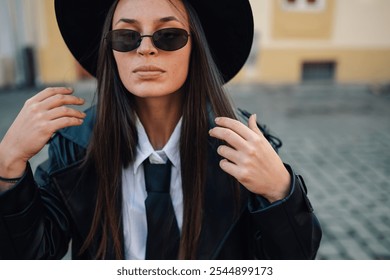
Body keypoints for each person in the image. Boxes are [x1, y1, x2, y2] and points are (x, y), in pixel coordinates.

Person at [0, 0, 321, 260]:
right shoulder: (72, 150)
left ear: (197, 46)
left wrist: (281, 191)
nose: (145, 49)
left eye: (168, 35)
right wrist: (8, 166)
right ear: (110, 49)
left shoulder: (244, 149)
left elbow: (293, 260)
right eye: (127, 37)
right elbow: (30, 259)